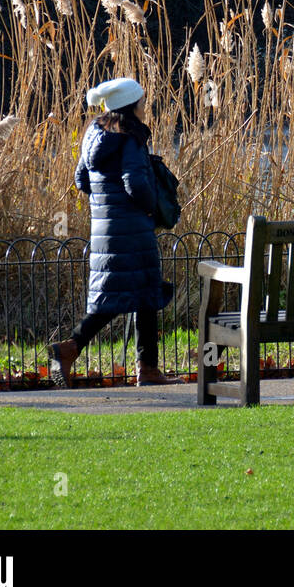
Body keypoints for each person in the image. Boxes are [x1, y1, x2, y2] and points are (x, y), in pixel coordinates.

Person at [49, 77, 180, 386]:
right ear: (131, 107)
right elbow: (134, 182)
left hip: (106, 229)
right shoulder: (131, 137)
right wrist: (150, 208)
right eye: (142, 103)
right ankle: (72, 348)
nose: (144, 108)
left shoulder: (94, 134)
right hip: (132, 229)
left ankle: (146, 368)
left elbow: (81, 180)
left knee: (135, 294)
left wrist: (106, 201)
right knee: (134, 293)